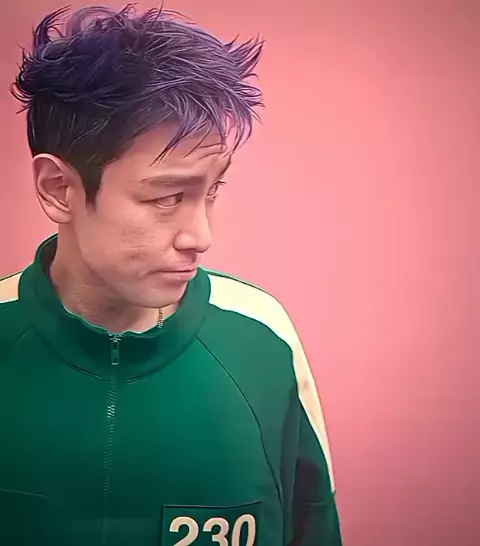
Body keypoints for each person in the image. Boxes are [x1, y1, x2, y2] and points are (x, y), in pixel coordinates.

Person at [0, 5, 342, 546]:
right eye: (167, 197)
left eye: (211, 191)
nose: (200, 236)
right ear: (58, 189)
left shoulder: (262, 339)